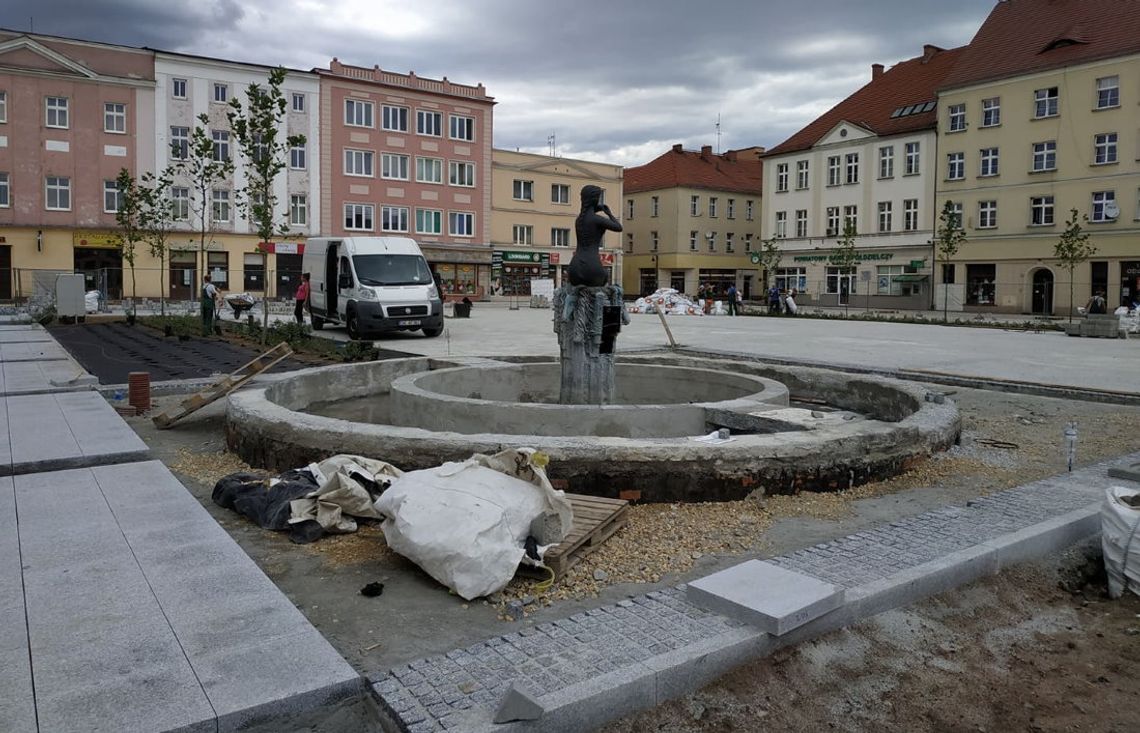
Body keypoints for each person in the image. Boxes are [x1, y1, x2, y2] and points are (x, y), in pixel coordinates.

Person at [567, 185, 622, 287]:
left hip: (574, 268)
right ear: (595, 199)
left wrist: (594, 209)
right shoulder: (597, 219)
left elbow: (587, 214)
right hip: (592, 266)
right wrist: (609, 213)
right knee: (604, 278)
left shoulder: (579, 219)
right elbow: (618, 227)